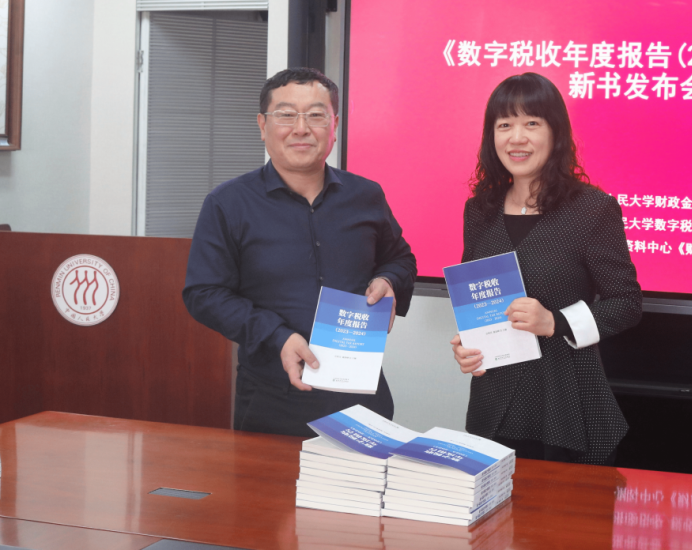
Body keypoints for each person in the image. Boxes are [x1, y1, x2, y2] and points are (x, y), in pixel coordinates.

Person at [184, 68, 416, 436]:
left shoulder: (366, 196)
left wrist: (389, 281)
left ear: (334, 125)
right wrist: (277, 335)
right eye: (287, 115)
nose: (301, 128)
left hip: (361, 397)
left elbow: (400, 258)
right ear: (262, 125)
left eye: (316, 115)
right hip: (272, 398)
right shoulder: (228, 203)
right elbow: (203, 293)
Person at [450, 72, 642, 465]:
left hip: (566, 406)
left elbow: (627, 303)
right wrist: (468, 346)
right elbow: (481, 300)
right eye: (504, 125)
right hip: (494, 407)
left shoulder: (591, 209)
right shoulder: (479, 211)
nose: (516, 138)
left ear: (555, 132)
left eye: (531, 123)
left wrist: (556, 322)